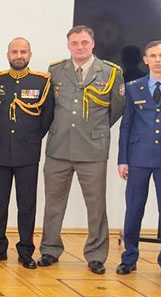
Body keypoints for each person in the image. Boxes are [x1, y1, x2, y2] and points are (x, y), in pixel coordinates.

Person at [39, 25, 125, 274]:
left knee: (96, 206)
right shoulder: (55, 71)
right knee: (53, 204)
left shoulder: (110, 72)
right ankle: (49, 249)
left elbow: (116, 109)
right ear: (68, 45)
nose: (80, 47)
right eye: (75, 43)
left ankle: (96, 255)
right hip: (59, 148)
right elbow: (49, 108)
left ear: (93, 44)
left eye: (84, 42)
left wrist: (93, 130)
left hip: (92, 149)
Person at [117, 40, 161, 282]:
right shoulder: (134, 87)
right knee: (134, 209)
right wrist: (122, 160)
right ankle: (129, 258)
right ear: (145, 60)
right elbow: (126, 126)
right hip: (138, 157)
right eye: (153, 56)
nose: (157, 60)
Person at [0, 38, 53, 269]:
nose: (18, 56)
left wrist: (31, 139)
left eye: (23, 52)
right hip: (0, 151)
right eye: (14, 52)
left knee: (26, 205)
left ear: (30, 55)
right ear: (8, 55)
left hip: (27, 153)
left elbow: (46, 117)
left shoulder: (41, 81)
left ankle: (25, 250)